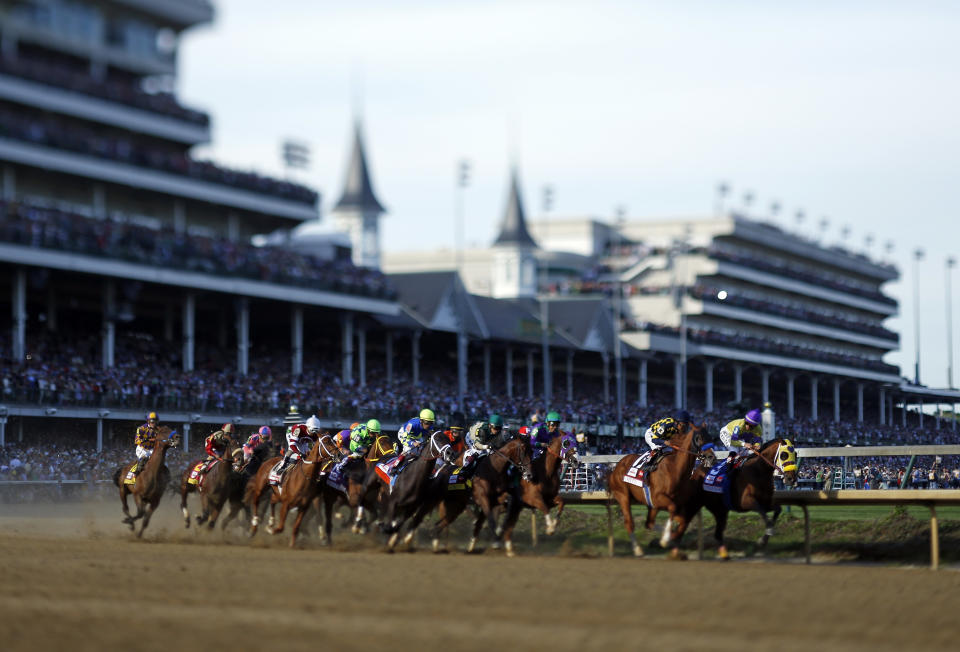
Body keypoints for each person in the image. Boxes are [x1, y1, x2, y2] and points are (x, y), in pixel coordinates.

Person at [393, 408, 436, 474]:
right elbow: (404, 439)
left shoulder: (430, 427)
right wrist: (412, 443)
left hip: (417, 437)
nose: (429, 426)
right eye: (427, 423)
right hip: (405, 435)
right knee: (408, 450)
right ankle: (395, 467)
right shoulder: (411, 424)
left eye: (431, 423)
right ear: (421, 421)